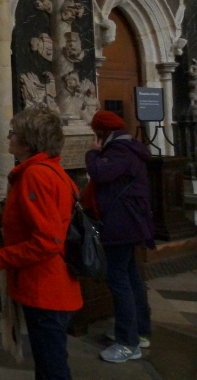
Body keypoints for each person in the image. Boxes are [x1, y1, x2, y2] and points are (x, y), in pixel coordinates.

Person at [0, 107, 82, 380]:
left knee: (52, 369)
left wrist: (0, 258)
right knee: (49, 363)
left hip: (46, 286)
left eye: (13, 133)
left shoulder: (36, 175)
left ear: (28, 141)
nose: (8, 137)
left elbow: (48, 241)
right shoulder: (50, 170)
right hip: (49, 283)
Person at [86, 110, 155, 363]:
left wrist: (92, 152)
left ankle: (127, 343)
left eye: (96, 132)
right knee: (131, 277)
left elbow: (100, 172)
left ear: (102, 132)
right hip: (129, 222)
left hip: (121, 224)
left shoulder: (120, 151)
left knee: (119, 281)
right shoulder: (128, 148)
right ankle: (139, 332)